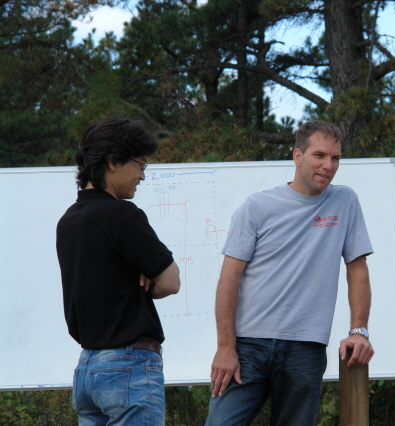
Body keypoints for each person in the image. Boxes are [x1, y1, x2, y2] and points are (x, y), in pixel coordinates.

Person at [206, 120, 374, 426]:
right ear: (298, 156)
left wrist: (359, 331)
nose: (328, 165)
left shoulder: (345, 201)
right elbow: (229, 279)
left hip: (306, 349)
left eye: (335, 158)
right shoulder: (257, 206)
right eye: (319, 155)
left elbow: (357, 268)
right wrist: (225, 347)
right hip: (248, 346)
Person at [56, 116, 181, 426]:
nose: (142, 176)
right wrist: (146, 280)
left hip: (87, 369)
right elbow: (171, 281)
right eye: (140, 165)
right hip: (128, 367)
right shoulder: (122, 215)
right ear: (113, 162)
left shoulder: (67, 221)